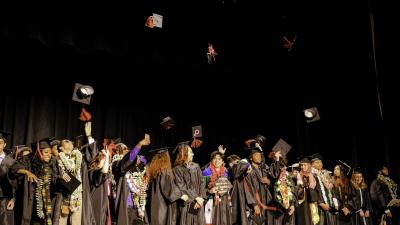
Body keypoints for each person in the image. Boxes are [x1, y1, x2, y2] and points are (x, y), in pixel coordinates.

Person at [10, 137, 62, 225]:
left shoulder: (52, 162)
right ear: (38, 152)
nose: (49, 155)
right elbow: (13, 169)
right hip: (28, 198)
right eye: (46, 152)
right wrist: (27, 172)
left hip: (45, 200)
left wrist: (61, 180)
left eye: (50, 152)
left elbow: (54, 179)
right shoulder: (28, 159)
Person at [112, 134, 151, 225]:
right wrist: (139, 145)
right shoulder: (117, 164)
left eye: (128, 149)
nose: (128, 150)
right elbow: (129, 159)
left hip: (138, 205)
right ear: (118, 151)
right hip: (127, 205)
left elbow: (144, 161)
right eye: (125, 149)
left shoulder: (135, 168)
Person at [146, 147, 188, 225]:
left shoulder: (152, 170)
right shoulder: (165, 170)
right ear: (165, 157)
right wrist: (180, 195)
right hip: (163, 205)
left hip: (154, 204)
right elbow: (168, 187)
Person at [173, 142, 206, 225]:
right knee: (188, 221)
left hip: (198, 203)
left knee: (198, 221)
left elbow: (202, 183)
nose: (193, 154)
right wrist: (196, 198)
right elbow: (181, 187)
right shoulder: (177, 169)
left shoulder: (196, 166)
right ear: (184, 154)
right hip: (187, 203)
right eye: (191, 152)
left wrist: (201, 198)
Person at [202, 148, 232, 225]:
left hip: (224, 201)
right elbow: (201, 189)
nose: (217, 161)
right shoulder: (206, 172)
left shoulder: (226, 172)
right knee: (211, 220)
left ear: (222, 161)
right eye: (215, 159)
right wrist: (210, 191)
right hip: (211, 201)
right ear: (211, 160)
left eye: (219, 159)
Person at [310, 153, 339, 225]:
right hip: (320, 207)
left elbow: (332, 191)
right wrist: (320, 203)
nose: (320, 164)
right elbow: (312, 191)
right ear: (312, 164)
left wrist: (336, 204)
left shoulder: (326, 174)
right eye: (317, 162)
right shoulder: (312, 175)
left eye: (321, 162)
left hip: (330, 207)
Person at [295, 156, 320, 225]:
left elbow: (317, 189)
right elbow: (297, 191)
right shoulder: (298, 176)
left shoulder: (314, 176)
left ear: (309, 165)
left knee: (313, 220)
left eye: (305, 165)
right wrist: (302, 186)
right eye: (302, 165)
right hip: (303, 202)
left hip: (312, 201)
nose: (303, 167)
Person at [0, 130, 15, 225]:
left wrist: (13, 199)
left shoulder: (11, 161)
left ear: (4, 144)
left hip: (4, 198)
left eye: (0, 143)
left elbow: (14, 182)